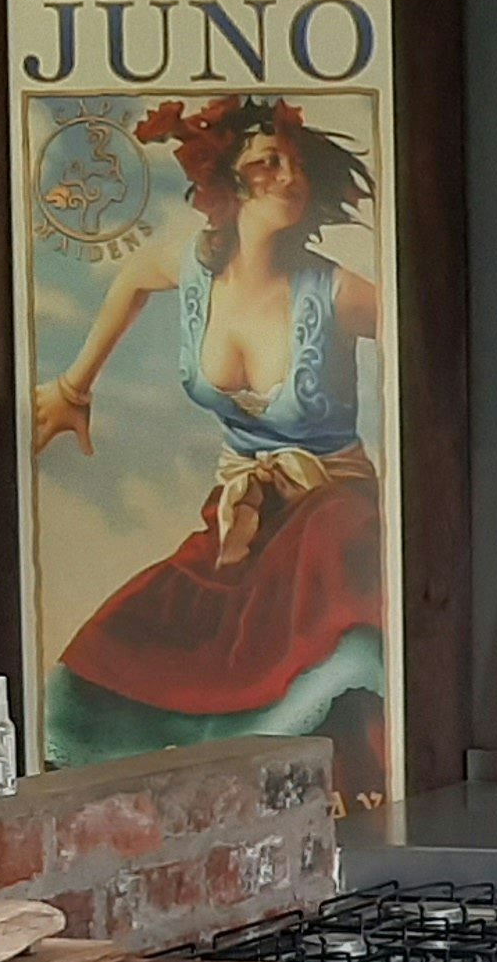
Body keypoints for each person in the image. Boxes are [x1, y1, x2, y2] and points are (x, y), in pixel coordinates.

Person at [31, 94, 389, 798]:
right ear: (225, 180)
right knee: (142, 633)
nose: (289, 177)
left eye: (295, 165)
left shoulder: (336, 292)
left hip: (334, 508)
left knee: (329, 638)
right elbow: (132, 278)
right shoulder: (192, 268)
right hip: (243, 511)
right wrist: (74, 387)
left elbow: (428, 338)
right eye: (267, 163)